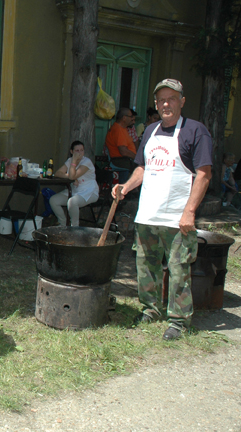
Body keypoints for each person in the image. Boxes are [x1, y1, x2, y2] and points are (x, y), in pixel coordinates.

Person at [113, 78, 212, 341]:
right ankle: (151, 308)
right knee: (146, 265)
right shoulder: (150, 131)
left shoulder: (195, 131)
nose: (166, 103)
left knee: (179, 269)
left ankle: (179, 320)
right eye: (161, 100)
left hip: (178, 217)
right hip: (148, 214)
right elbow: (142, 168)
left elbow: (203, 175)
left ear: (182, 101)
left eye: (171, 98)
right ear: (156, 104)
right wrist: (126, 186)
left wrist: (189, 211)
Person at [49, 141, 99, 226]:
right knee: (53, 200)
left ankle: (74, 227)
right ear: (71, 152)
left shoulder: (86, 162)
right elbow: (58, 173)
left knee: (72, 202)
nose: (80, 153)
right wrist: (69, 176)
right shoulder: (69, 160)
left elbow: (73, 176)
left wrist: (74, 163)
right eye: (77, 150)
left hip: (88, 191)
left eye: (82, 150)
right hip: (74, 190)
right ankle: (62, 223)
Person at [105, 107, 138, 171]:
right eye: (130, 117)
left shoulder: (122, 128)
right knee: (143, 168)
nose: (132, 119)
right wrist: (137, 158)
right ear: (124, 118)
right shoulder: (118, 130)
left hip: (125, 159)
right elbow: (124, 152)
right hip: (120, 160)